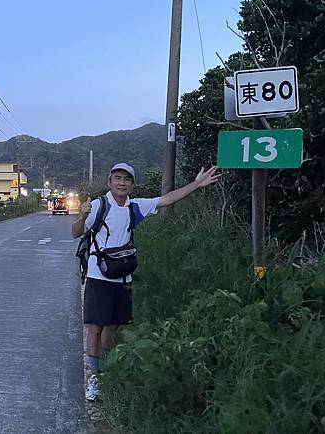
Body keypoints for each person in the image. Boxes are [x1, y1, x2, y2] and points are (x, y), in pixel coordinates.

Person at [71, 162, 220, 401]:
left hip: (122, 277)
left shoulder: (135, 207)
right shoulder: (99, 206)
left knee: (112, 327)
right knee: (95, 327)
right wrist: (82, 216)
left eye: (127, 179)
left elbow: (167, 199)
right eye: (117, 178)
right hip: (98, 276)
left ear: (132, 184)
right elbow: (76, 232)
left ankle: (107, 372)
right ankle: (95, 378)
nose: (122, 183)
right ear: (110, 182)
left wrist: (196, 184)